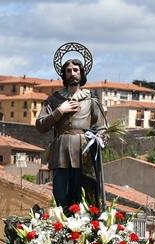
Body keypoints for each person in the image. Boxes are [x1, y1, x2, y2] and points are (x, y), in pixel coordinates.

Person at [35, 58, 108, 210]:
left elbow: (102, 126)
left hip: (84, 151)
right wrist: (60, 111)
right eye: (68, 71)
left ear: (81, 73)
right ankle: (61, 226)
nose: (72, 73)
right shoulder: (54, 99)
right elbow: (41, 126)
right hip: (61, 152)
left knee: (84, 194)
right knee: (61, 195)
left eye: (75, 70)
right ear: (64, 75)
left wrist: (101, 138)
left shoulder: (91, 100)